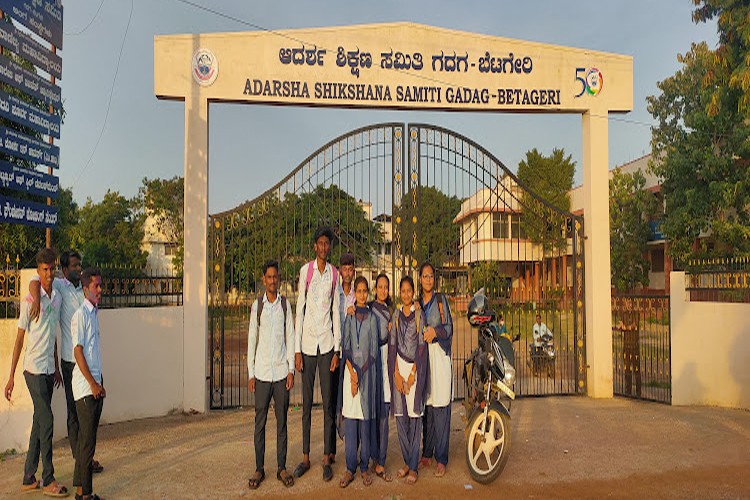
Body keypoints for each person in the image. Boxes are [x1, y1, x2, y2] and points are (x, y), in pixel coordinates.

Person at [29, 250, 103, 474]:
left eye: (79, 265)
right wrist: (34, 296)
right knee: (75, 412)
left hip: (89, 362)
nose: (78, 268)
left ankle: (85, 458)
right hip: (71, 362)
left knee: (89, 416)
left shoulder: (85, 288)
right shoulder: (60, 286)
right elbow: (36, 280)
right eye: (73, 266)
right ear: (64, 269)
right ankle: (81, 461)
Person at [4, 248, 69, 496]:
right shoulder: (31, 300)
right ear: (38, 271)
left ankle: (29, 476)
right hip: (32, 370)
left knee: (39, 421)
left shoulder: (58, 298)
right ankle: (49, 479)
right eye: (45, 269)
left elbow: (52, 335)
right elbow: (20, 339)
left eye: (52, 268)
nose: (49, 273)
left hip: (48, 370)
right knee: (48, 421)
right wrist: (10, 377)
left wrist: (56, 368)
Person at [293, 226, 342, 482]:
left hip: (326, 344)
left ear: (329, 247)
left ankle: (326, 458)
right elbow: (299, 309)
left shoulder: (334, 275)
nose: (323, 247)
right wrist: (297, 349)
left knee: (328, 405)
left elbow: (336, 312)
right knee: (307, 405)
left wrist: (337, 349)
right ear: (315, 246)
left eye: (327, 244)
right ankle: (305, 457)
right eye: (320, 243)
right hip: (308, 346)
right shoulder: (306, 272)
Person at [247, 260, 296, 490]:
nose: (273, 280)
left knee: (282, 422)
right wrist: (250, 373)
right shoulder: (258, 307)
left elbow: (291, 336)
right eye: (269, 277)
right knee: (260, 422)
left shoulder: (285, 306)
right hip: (262, 373)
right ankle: (259, 468)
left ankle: (281, 467)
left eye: (276, 276)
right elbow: (251, 341)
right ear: (263, 279)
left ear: (279, 278)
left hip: (280, 373)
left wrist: (290, 370)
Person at [337, 276, 382, 488]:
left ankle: (364, 467)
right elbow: (345, 347)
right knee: (352, 421)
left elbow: (373, 351)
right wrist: (352, 374)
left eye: (365, 291)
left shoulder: (372, 318)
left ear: (368, 293)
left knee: (365, 421)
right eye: (359, 291)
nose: (362, 294)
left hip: (366, 376)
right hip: (350, 378)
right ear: (355, 293)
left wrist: (360, 374)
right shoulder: (350, 317)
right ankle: (349, 468)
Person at [71, 268, 106, 500]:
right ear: (86, 289)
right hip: (85, 388)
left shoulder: (93, 313)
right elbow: (78, 352)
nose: (100, 290)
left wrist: (101, 381)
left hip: (95, 383)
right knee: (88, 443)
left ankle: (80, 489)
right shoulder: (80, 316)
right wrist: (93, 384)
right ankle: (86, 494)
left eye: (100, 286)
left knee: (86, 439)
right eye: (96, 286)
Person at [390, 276, 428, 485]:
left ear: (413, 292)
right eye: (402, 291)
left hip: (414, 369)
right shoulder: (396, 315)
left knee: (415, 418)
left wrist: (413, 374)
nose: (405, 294)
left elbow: (422, 347)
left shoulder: (418, 315)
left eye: (409, 291)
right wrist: (396, 373)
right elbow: (393, 345)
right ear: (400, 292)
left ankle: (413, 467)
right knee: (401, 418)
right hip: (399, 367)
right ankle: (408, 460)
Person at [418, 262, 454, 477]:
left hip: (439, 356)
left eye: (431, 276)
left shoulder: (441, 301)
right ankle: (427, 453)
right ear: (420, 279)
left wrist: (435, 331)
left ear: (434, 279)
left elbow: (449, 328)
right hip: (423, 358)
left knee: (441, 405)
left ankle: (442, 457)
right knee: (427, 407)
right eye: (424, 276)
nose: (428, 279)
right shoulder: (416, 303)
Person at [368, 273, 394, 482]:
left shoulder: (391, 313)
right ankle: (372, 456)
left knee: (384, 416)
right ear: (375, 289)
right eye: (380, 287)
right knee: (372, 414)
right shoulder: (368, 309)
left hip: (386, 363)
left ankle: (381, 461)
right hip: (371, 363)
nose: (383, 290)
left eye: (386, 287)